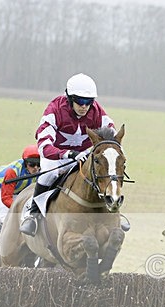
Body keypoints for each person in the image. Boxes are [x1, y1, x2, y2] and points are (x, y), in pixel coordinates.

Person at [19, 73, 115, 236]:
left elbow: (111, 131)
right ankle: (33, 214)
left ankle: (112, 210)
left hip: (84, 155)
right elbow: (44, 147)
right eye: (80, 101)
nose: (84, 106)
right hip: (56, 156)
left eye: (88, 102)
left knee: (103, 171)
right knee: (48, 174)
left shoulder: (97, 111)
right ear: (69, 98)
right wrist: (68, 154)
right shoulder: (55, 110)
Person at [0, 145, 40, 266]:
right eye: (32, 164)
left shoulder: (40, 170)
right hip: (2, 192)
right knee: (6, 219)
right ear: (25, 163)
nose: (36, 168)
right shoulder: (12, 172)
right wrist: (18, 209)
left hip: (20, 193)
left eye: (38, 164)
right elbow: (6, 198)